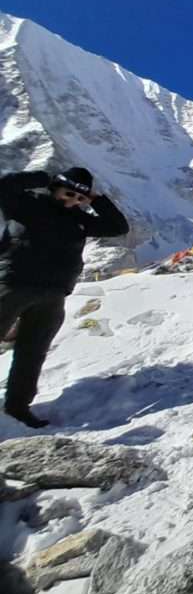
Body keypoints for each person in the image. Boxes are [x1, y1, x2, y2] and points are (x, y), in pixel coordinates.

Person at [0, 168, 130, 427]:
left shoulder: (80, 221)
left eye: (79, 199)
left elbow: (118, 227)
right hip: (13, 285)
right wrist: (45, 178)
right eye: (68, 193)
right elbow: (3, 185)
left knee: (32, 352)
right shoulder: (27, 204)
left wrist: (95, 199)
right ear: (56, 188)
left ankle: (18, 408)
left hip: (53, 294)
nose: (72, 201)